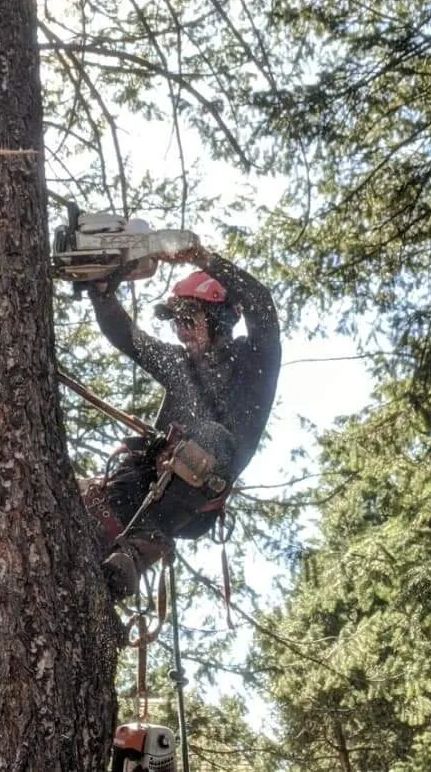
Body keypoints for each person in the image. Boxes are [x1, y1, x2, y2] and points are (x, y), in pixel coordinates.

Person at [83, 236, 281, 598]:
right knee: (91, 507)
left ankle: (141, 547)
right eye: (176, 321)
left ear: (219, 318)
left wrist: (203, 259)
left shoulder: (255, 363)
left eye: (189, 319)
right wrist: (102, 294)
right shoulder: (180, 365)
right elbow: (128, 337)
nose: (181, 330)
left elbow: (261, 305)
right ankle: (95, 553)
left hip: (197, 497)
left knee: (211, 437)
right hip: (144, 485)